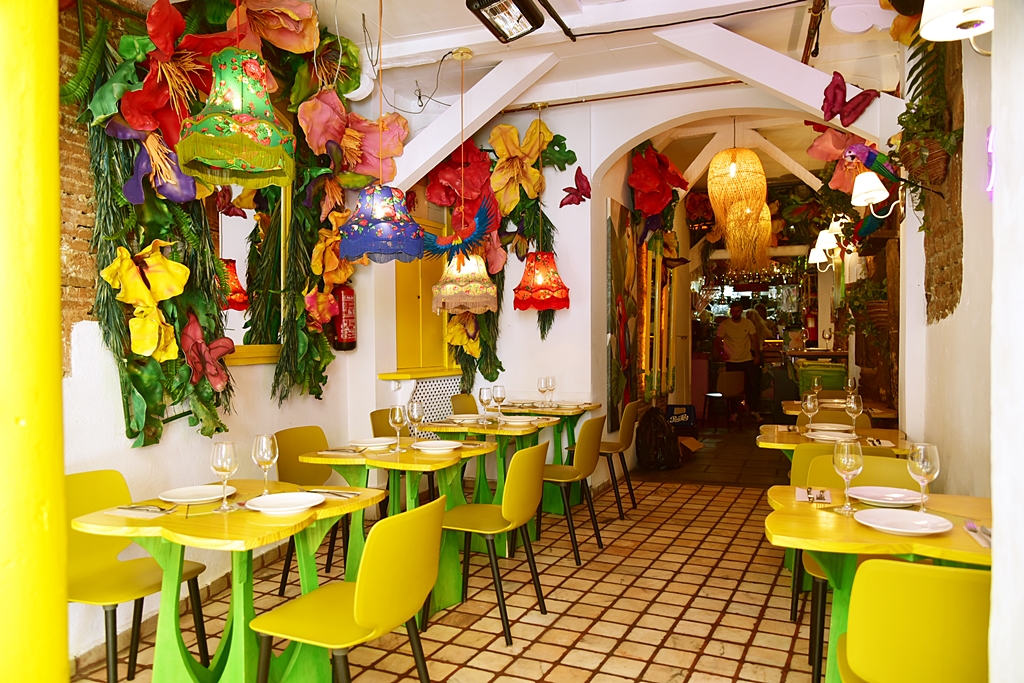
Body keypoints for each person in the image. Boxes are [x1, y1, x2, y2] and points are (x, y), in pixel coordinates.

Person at [715, 303, 762, 422]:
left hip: (747, 359)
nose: (735, 314)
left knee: (752, 386)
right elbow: (717, 341)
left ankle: (752, 410)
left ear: (741, 311)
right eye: (734, 311)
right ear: (731, 312)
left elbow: (754, 340)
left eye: (738, 311)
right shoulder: (725, 324)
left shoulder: (747, 323)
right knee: (732, 388)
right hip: (732, 360)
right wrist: (722, 353)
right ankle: (735, 412)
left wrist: (756, 355)